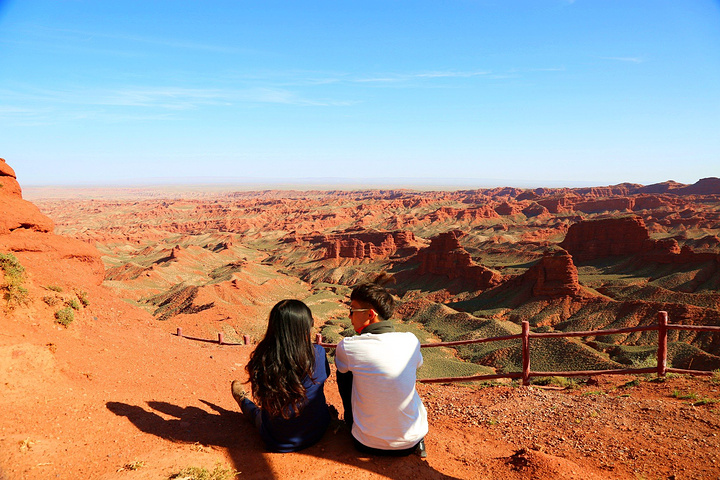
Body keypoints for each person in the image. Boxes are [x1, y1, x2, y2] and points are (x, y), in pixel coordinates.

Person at [335, 279, 428, 457]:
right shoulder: (410, 340)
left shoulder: (348, 346)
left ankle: (351, 420)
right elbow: (417, 366)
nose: (349, 316)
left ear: (370, 314)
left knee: (345, 374)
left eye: (352, 310)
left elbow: (344, 378)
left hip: (364, 443)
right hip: (411, 442)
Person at [231, 299, 331, 452]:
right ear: (304, 327)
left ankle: (243, 400)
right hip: (316, 431)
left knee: (256, 413)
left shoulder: (263, 358)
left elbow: (263, 394)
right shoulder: (318, 353)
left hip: (276, 437)